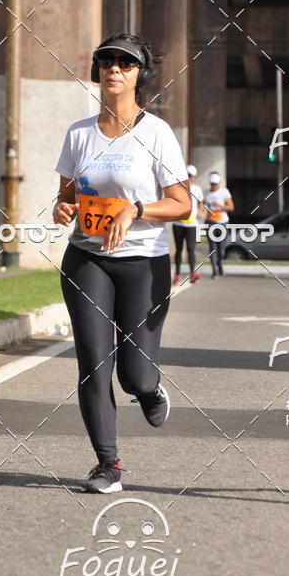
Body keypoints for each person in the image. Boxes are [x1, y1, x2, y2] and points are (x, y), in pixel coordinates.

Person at [54, 32, 191, 493]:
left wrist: (136, 209)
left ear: (139, 75)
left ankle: (149, 390)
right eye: (107, 62)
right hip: (86, 259)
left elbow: (182, 204)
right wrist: (62, 209)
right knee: (94, 362)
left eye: (125, 64)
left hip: (143, 264)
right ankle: (107, 464)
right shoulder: (78, 133)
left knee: (134, 373)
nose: (114, 70)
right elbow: (65, 197)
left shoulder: (157, 133)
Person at [172, 164, 204, 284]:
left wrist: (201, 211)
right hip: (178, 224)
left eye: (191, 175)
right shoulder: (177, 187)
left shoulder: (197, 189)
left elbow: (201, 202)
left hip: (192, 225)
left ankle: (192, 273)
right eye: (187, 174)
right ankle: (177, 274)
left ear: (194, 177)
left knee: (191, 249)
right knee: (179, 250)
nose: (189, 177)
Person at [203, 171, 234, 278]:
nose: (213, 186)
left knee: (221, 248)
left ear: (218, 183)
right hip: (210, 222)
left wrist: (220, 206)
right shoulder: (205, 193)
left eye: (215, 184)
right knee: (212, 247)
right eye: (212, 184)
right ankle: (214, 270)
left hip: (223, 223)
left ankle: (219, 263)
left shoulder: (224, 192)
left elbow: (231, 207)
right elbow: (201, 206)